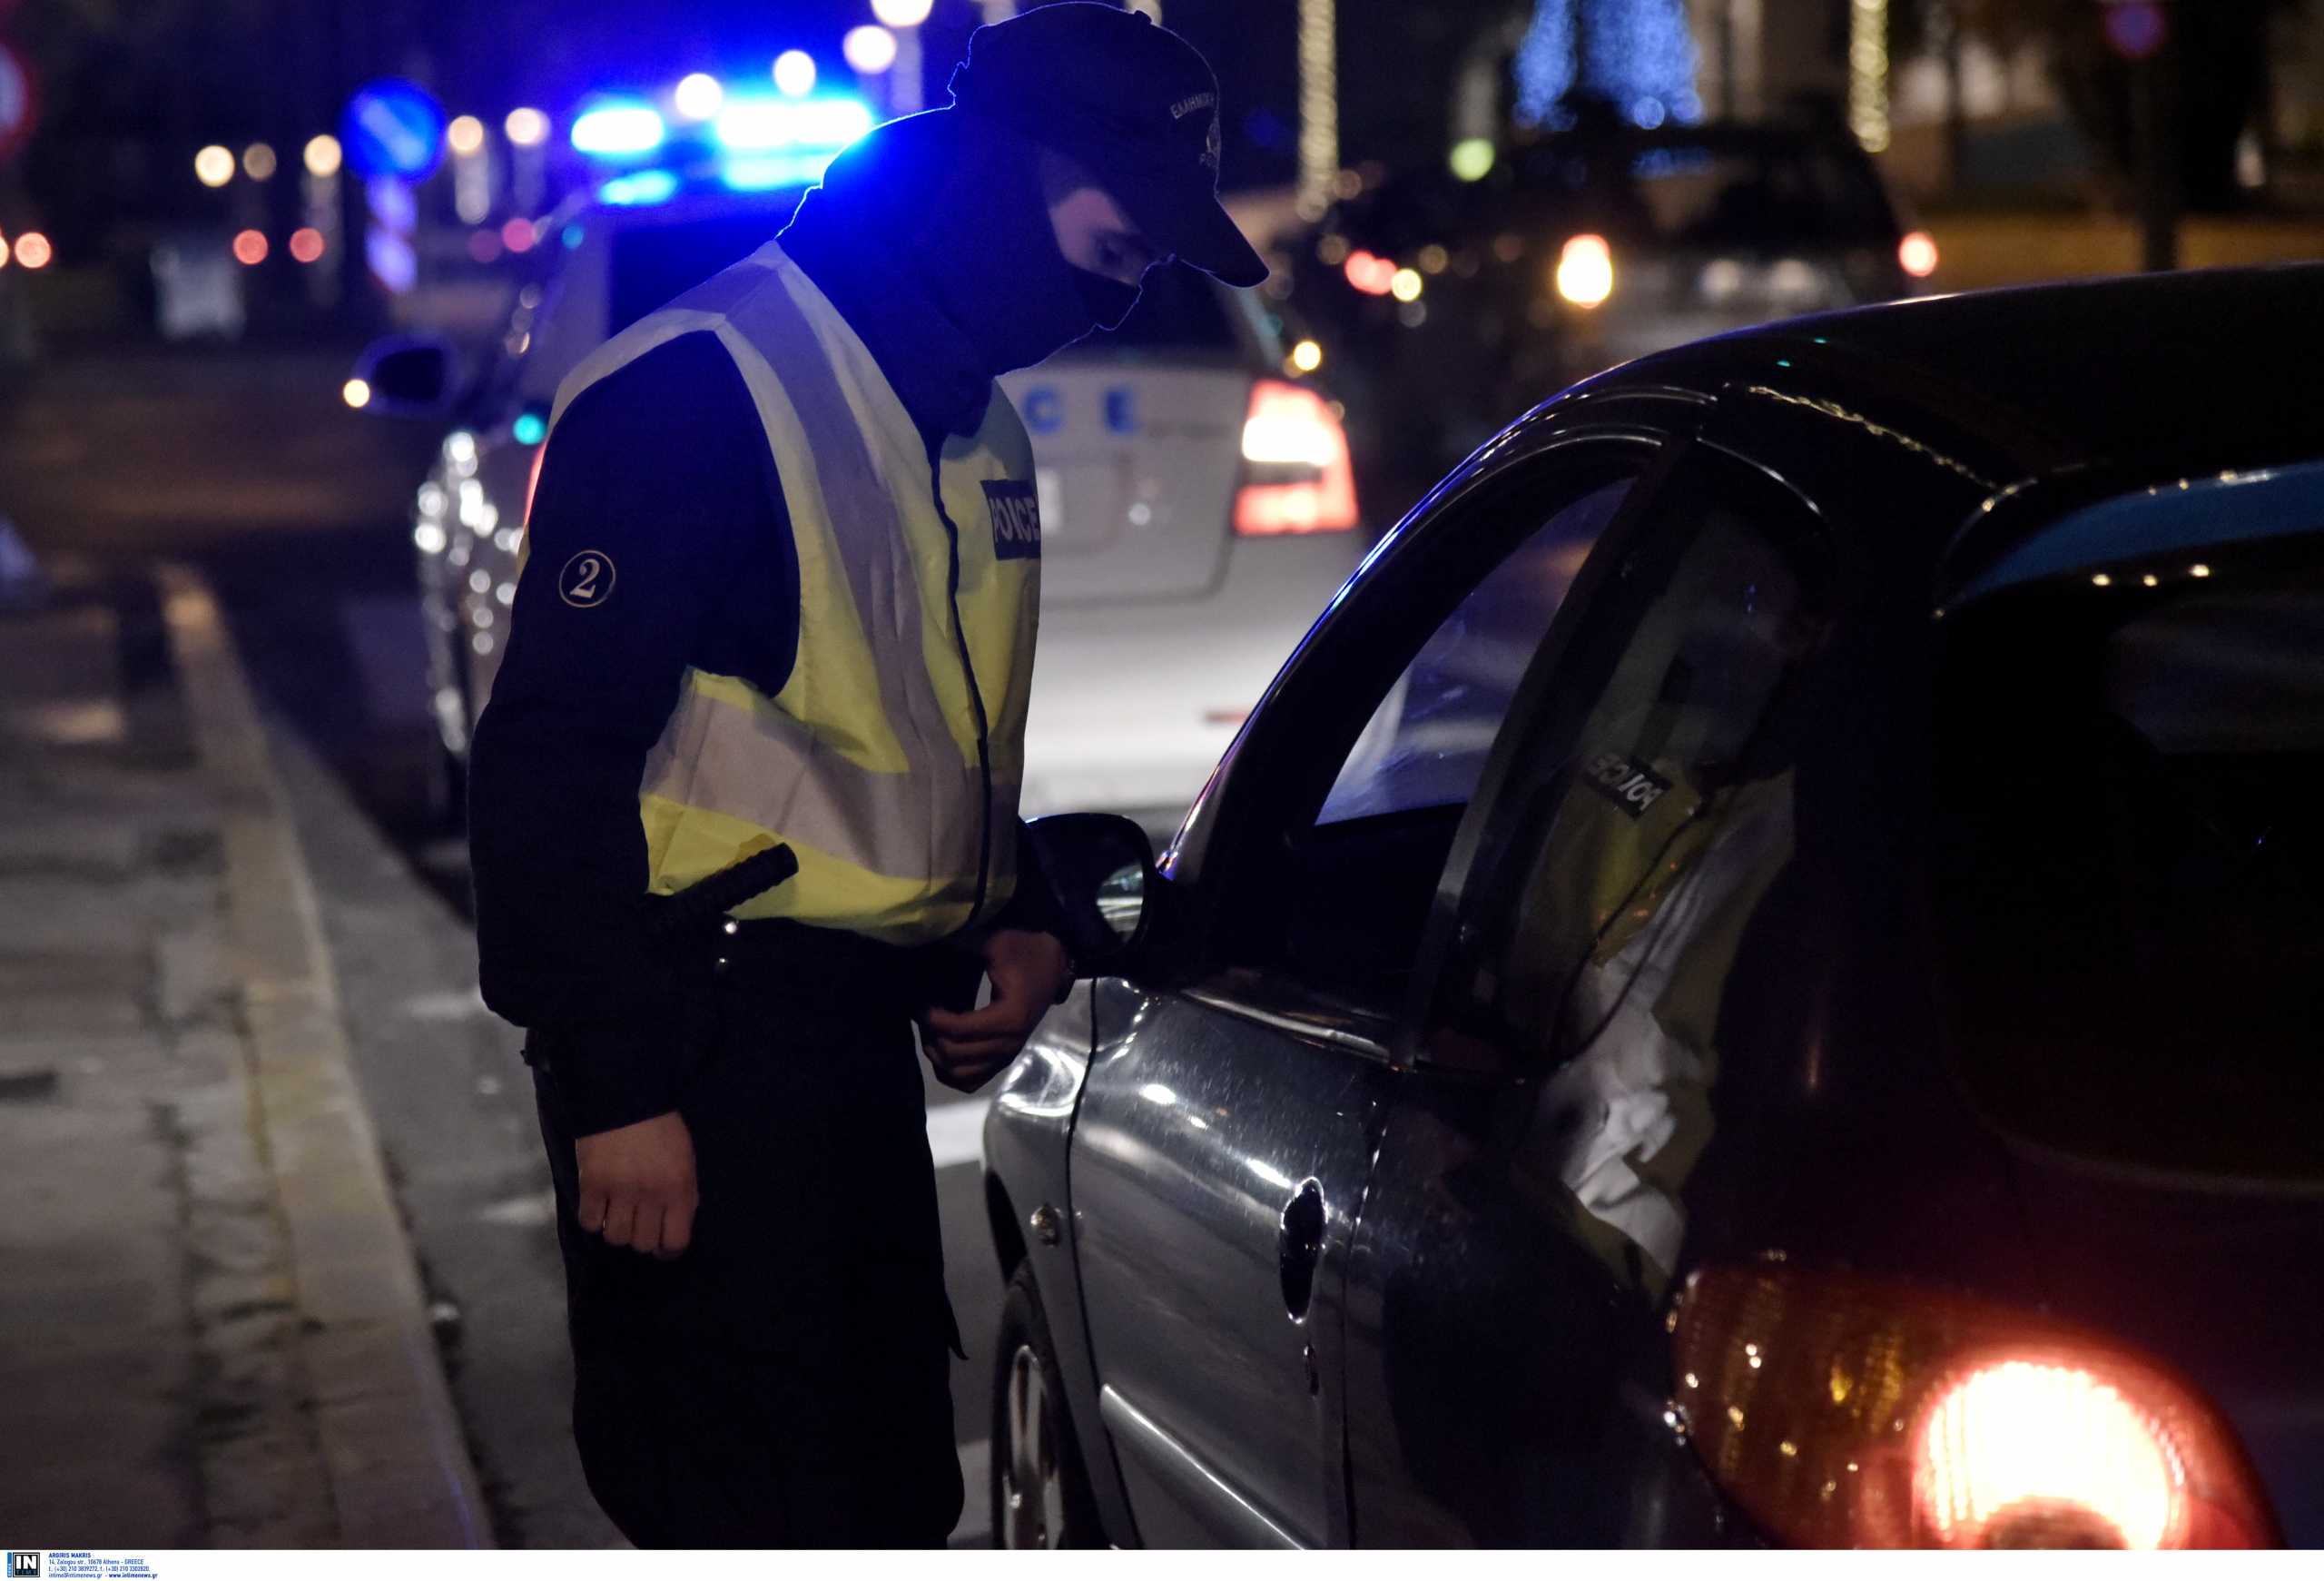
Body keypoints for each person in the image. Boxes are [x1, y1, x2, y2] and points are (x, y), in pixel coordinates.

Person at [466, 2, 1266, 1548]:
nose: (1135, 279)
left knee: (885, 1490)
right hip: (694, 1060)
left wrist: (1012, 913)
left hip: (845, 1069)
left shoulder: (966, 424)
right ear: (1000, 176)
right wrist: (616, 1086)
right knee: (752, 1502)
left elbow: (885, 752)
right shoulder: (695, 390)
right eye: (1122, 234)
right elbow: (552, 762)